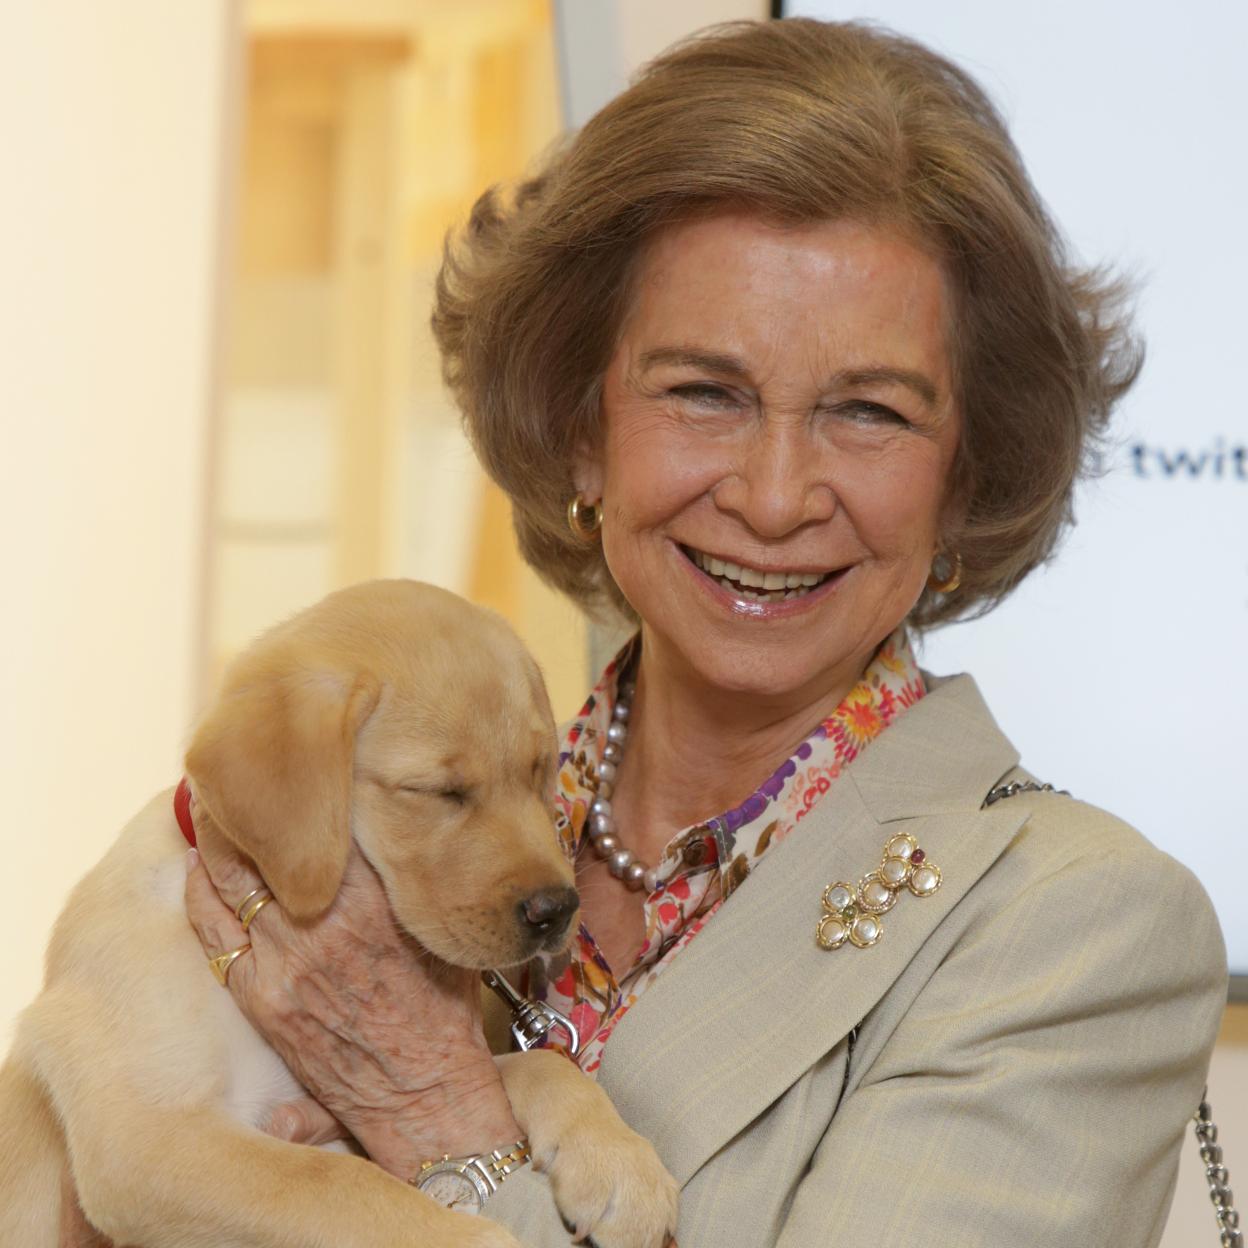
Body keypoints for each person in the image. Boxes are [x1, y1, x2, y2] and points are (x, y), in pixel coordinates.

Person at [65, 16, 1227, 1247]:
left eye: (869, 412)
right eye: (703, 391)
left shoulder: (1078, 932)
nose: (776, 496)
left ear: (966, 475)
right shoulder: (371, 799)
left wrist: (433, 1113)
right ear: (580, 430)